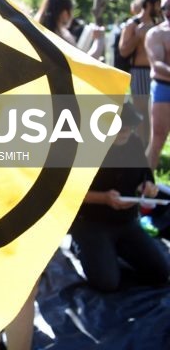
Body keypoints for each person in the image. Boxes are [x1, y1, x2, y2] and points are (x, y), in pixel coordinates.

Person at [69, 102, 169, 291]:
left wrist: (146, 187)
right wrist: (103, 198)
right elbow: (69, 191)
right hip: (91, 222)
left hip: (126, 221)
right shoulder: (85, 148)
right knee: (107, 283)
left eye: (129, 127)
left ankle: (118, 247)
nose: (126, 132)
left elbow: (144, 174)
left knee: (160, 272)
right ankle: (80, 244)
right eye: (120, 128)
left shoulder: (134, 142)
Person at [119, 0, 161, 144]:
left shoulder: (159, 25)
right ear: (149, 4)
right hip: (140, 72)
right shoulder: (133, 24)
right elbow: (123, 50)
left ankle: (152, 147)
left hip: (157, 74)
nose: (161, 8)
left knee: (154, 114)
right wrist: (138, 36)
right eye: (158, 4)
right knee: (141, 114)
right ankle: (140, 149)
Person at [34, 0, 104, 59]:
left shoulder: (35, 31)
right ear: (65, 13)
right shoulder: (62, 38)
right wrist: (99, 41)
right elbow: (83, 63)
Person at [145, 0, 170, 170]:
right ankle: (145, 183)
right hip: (163, 88)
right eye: (166, 7)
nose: (168, 11)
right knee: (158, 138)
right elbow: (157, 64)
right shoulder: (156, 33)